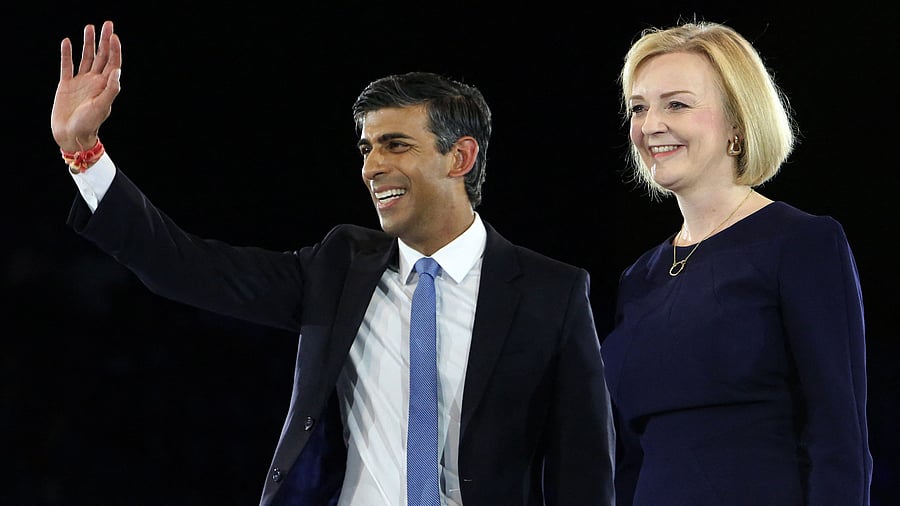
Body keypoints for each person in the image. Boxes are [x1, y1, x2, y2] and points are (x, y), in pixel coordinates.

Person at [51, 20, 616, 506]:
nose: (372, 167)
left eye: (396, 145)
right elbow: (187, 266)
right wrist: (86, 154)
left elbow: (583, 472)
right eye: (367, 149)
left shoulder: (551, 292)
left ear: (460, 157)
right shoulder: (339, 266)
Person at [601, 20, 872, 505]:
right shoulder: (638, 277)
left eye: (677, 104)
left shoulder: (802, 243)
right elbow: (631, 454)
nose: (650, 125)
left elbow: (839, 436)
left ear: (737, 122)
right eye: (639, 108)